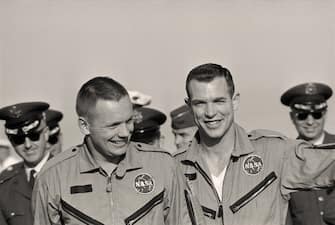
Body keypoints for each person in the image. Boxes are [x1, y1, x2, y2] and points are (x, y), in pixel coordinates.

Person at [174, 63, 335, 225]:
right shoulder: (173, 168)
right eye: (200, 103)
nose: (210, 112)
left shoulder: (274, 153)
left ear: (234, 101)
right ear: (189, 106)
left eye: (219, 101)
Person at [32, 76, 203, 225]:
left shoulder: (163, 166)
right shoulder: (53, 177)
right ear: (85, 126)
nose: (125, 132)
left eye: (128, 121)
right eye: (113, 125)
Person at [281, 82, 335, 225]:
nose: (310, 122)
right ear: (292, 117)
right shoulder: (284, 159)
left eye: (316, 114)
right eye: (302, 115)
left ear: (325, 114)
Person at [0, 102, 51, 225]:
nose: (28, 145)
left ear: (46, 134)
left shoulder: (69, 174)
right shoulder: (5, 184)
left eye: (34, 136)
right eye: (19, 139)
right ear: (11, 142)